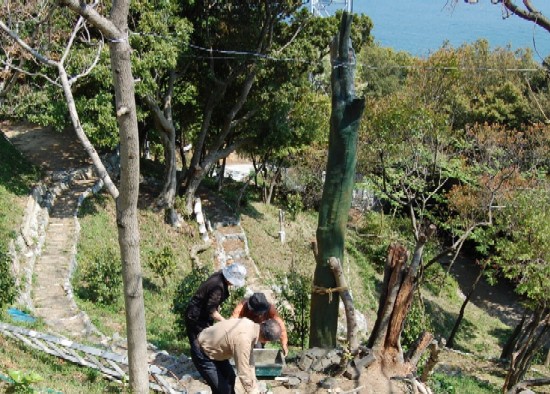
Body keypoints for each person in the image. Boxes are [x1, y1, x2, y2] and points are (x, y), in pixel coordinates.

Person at [185, 263, 247, 387]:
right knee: (201, 346)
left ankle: (212, 373)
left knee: (207, 344)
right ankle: (208, 375)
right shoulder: (217, 286)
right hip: (196, 318)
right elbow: (212, 310)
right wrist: (226, 323)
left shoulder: (219, 277)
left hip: (202, 316)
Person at [197, 318, 281, 394]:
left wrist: (254, 385)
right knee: (223, 390)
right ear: (266, 340)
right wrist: (251, 390)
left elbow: (249, 361)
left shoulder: (250, 325)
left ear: (263, 322)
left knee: (230, 378)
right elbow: (243, 370)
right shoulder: (244, 339)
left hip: (216, 351)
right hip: (203, 352)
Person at [231, 292, 289, 356]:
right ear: (251, 309)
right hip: (246, 330)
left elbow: (280, 325)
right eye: (258, 313)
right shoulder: (243, 306)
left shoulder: (270, 309)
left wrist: (284, 344)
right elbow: (232, 320)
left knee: (258, 350)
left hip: (262, 332)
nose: (260, 315)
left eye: (262, 313)